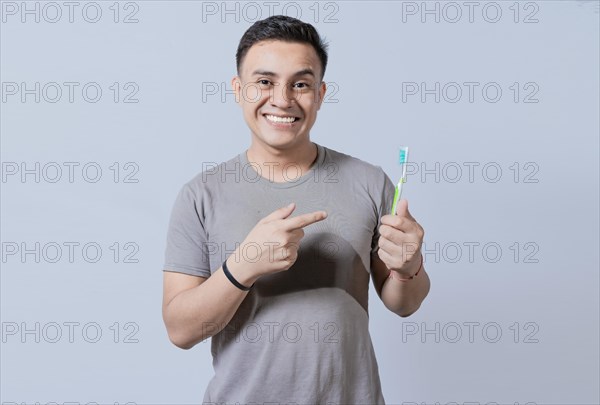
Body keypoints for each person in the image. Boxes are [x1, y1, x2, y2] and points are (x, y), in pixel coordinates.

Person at [162, 15, 431, 404]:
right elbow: (181, 331)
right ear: (239, 90)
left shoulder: (370, 181)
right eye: (265, 82)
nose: (283, 99)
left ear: (320, 94)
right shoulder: (200, 195)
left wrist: (411, 268)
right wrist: (245, 264)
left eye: (300, 84)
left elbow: (403, 303)